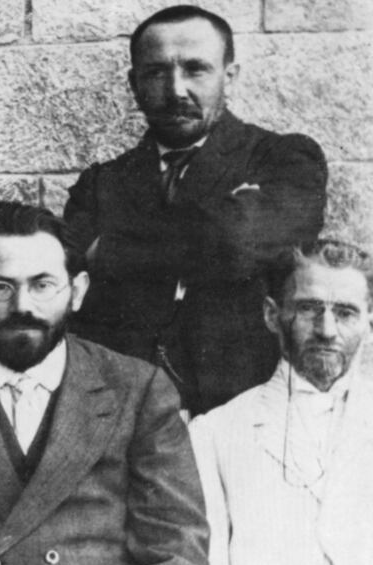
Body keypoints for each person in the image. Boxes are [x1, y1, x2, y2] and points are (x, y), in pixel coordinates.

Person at [0, 201, 208, 565]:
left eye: (42, 285)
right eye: (0, 286)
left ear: (76, 292)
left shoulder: (137, 391)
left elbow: (175, 550)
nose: (22, 306)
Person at [64, 5, 327, 415]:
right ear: (134, 83)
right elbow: (71, 284)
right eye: (155, 73)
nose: (176, 90)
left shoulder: (284, 159)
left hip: (245, 413)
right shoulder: (100, 184)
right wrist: (221, 225)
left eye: (196, 69)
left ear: (230, 75)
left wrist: (113, 251)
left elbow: (237, 243)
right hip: (122, 416)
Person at [191, 239, 373, 565]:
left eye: (345, 313)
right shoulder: (214, 433)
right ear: (272, 315)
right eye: (308, 309)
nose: (327, 331)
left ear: (369, 321)